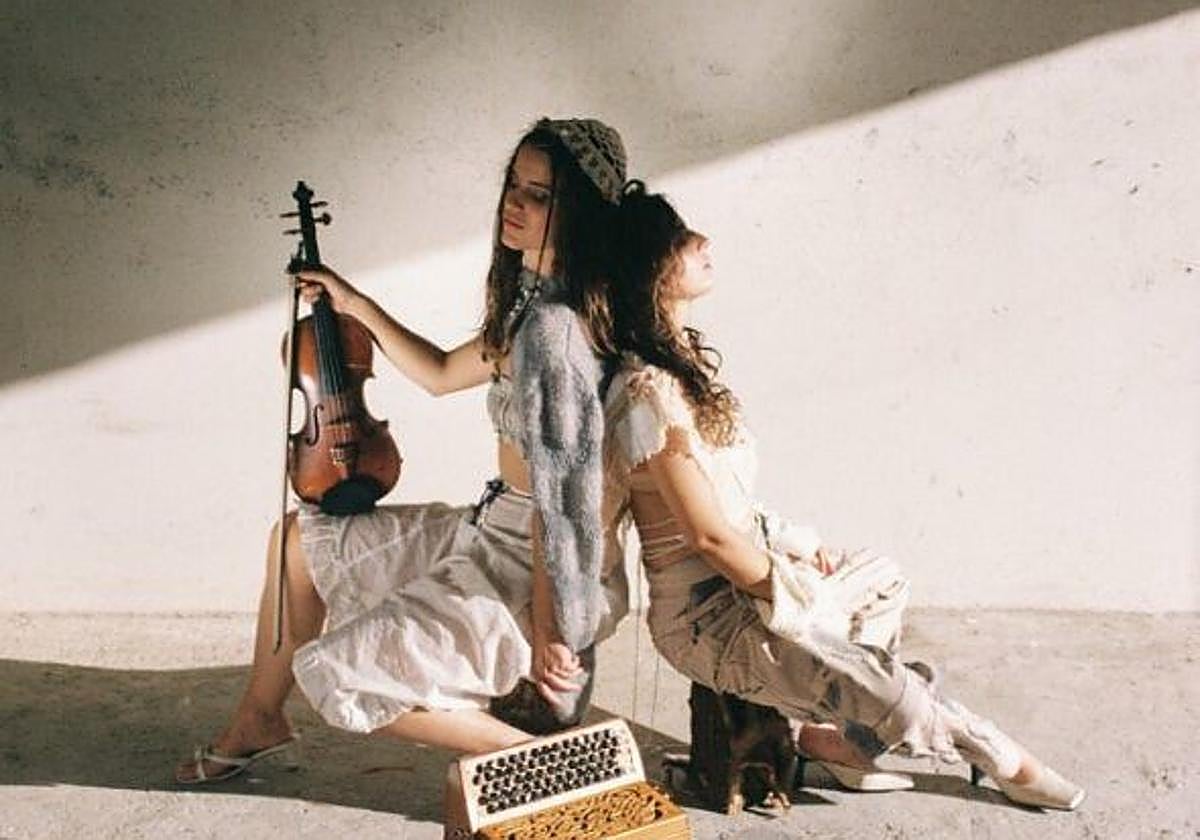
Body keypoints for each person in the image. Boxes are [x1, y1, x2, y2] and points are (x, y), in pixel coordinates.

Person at [600, 182, 1085, 810]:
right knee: (888, 691)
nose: (701, 242)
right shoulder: (645, 392)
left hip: (749, 575)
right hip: (706, 618)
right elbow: (709, 536)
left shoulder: (678, 365)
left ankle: (839, 744)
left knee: (882, 581)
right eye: (679, 237)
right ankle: (1000, 756)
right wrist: (797, 598)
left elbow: (734, 505)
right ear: (651, 271)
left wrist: (799, 551)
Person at [174, 117, 630, 783]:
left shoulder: (556, 335)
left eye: (539, 195)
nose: (514, 203)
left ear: (581, 216)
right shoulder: (534, 308)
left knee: (334, 673)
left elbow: (560, 509)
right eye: (513, 184)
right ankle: (259, 718)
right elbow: (441, 373)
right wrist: (353, 302)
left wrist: (549, 627)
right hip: (491, 526)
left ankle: (548, 765)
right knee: (296, 543)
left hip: (535, 560)